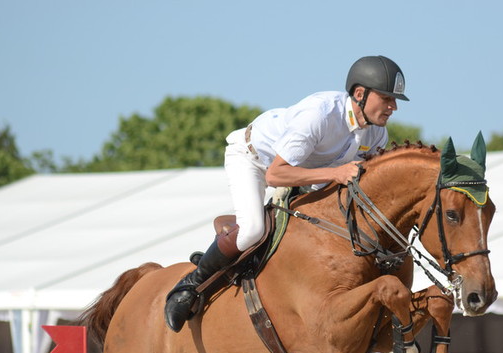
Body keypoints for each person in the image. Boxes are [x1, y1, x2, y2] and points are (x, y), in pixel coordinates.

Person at [164, 55, 409, 332]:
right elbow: (276, 175)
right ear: (360, 93)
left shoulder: (376, 134)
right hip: (254, 160)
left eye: (394, 100)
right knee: (252, 231)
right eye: (387, 98)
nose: (394, 107)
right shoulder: (320, 115)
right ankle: (192, 284)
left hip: (305, 172)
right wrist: (334, 174)